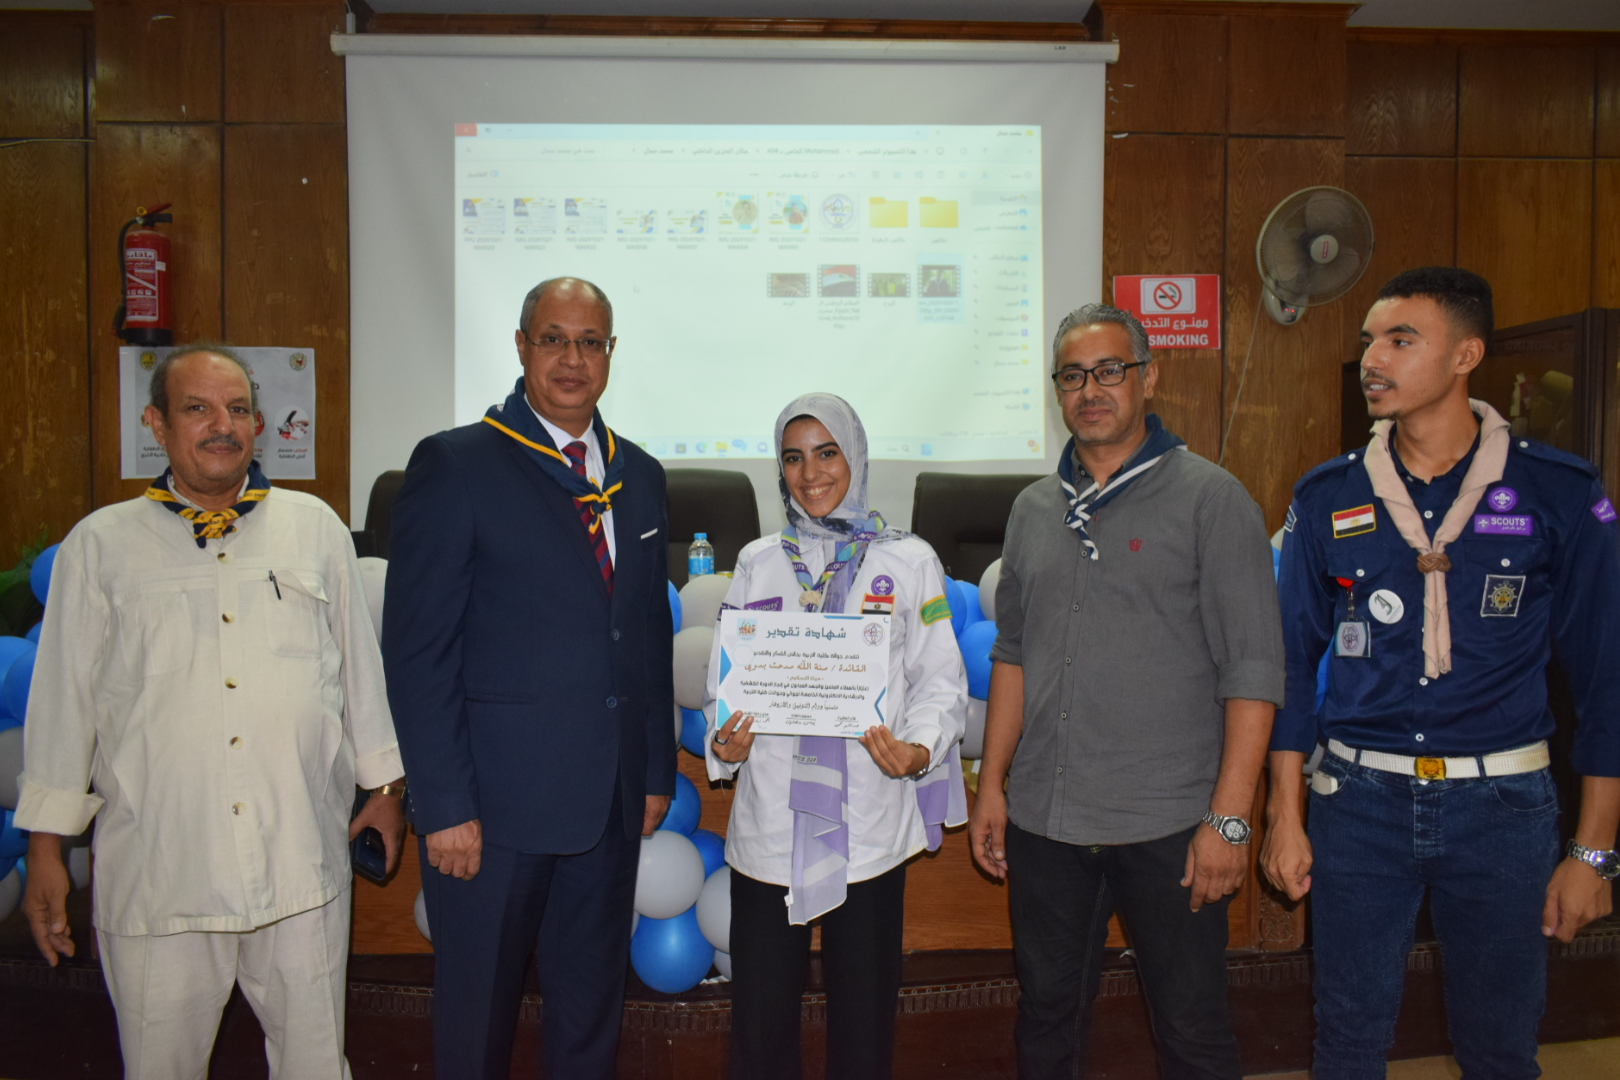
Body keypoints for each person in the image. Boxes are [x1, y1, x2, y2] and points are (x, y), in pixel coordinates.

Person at [1263, 267, 1620, 1078]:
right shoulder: (1327, 496)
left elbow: (1607, 679)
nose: (1372, 359)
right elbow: (1289, 666)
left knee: (1499, 1048)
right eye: (1369, 341)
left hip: (1504, 807)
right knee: (1347, 1043)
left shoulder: (1559, 491)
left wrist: (1595, 852)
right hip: (1357, 802)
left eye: (1401, 340)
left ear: (1466, 355)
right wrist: (1284, 813)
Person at [16, 344, 406, 1079]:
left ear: (257, 424)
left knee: (316, 1065)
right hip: (161, 870)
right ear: (157, 424)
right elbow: (63, 704)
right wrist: (45, 852)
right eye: (197, 408)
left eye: (237, 409)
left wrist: (385, 789)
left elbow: (360, 669)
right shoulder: (100, 546)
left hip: (298, 862)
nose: (221, 425)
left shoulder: (313, 527)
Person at [968, 304, 1285, 1080]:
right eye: (1073, 376)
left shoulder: (1213, 500)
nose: (1091, 390)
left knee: (1191, 1030)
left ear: (1150, 377)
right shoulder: (1032, 511)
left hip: (1170, 824)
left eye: (1110, 370)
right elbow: (1012, 655)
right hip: (1047, 821)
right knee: (1047, 1018)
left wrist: (1230, 821)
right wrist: (993, 785)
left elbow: (1253, 670)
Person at [383, 277, 675, 1080]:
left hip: (609, 805)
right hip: (492, 814)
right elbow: (417, 652)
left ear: (610, 353)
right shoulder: (456, 464)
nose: (573, 359)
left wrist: (653, 770)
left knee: (589, 1020)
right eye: (554, 339)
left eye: (590, 342)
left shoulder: (642, 474)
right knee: (477, 1026)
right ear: (521, 346)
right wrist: (444, 805)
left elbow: (647, 633)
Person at [705, 393, 967, 1080]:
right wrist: (723, 744)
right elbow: (721, 689)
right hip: (769, 828)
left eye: (827, 453)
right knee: (760, 1029)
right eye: (793, 457)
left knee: (864, 1027)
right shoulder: (758, 561)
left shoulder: (909, 561)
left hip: (869, 830)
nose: (811, 472)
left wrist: (919, 748)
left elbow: (941, 681)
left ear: (855, 457)